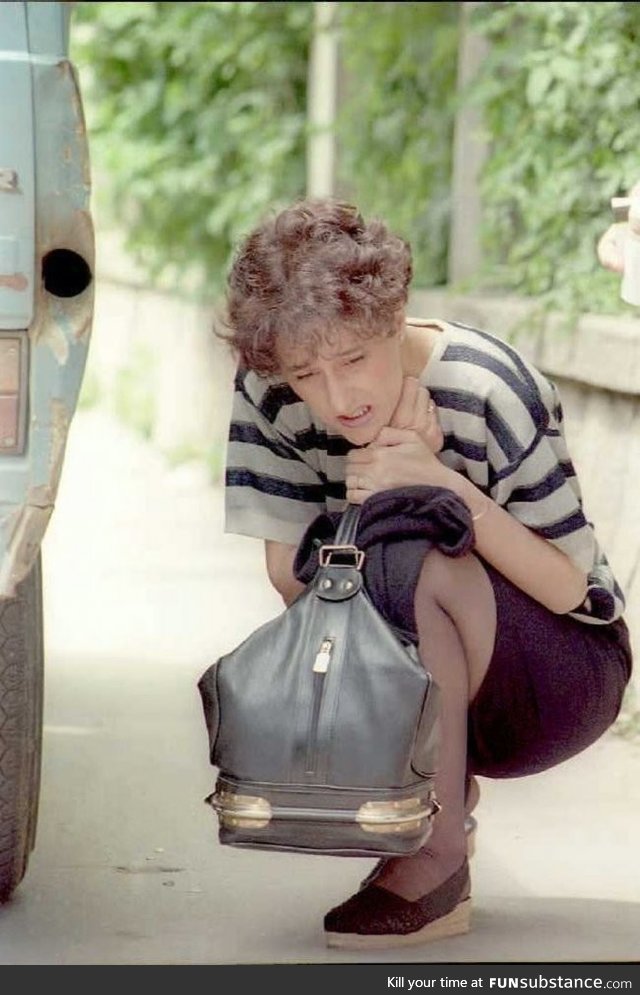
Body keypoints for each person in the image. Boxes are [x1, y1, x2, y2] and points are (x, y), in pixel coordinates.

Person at [219, 197, 633, 950]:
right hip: (404, 675)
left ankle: (438, 861)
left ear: (396, 314)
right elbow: (290, 579)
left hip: (559, 677)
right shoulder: (268, 392)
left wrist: (442, 487)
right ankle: (427, 793)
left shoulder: (489, 386)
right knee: (391, 546)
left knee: (413, 551)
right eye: (308, 374)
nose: (339, 397)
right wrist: (373, 488)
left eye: (353, 359)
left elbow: (581, 594)